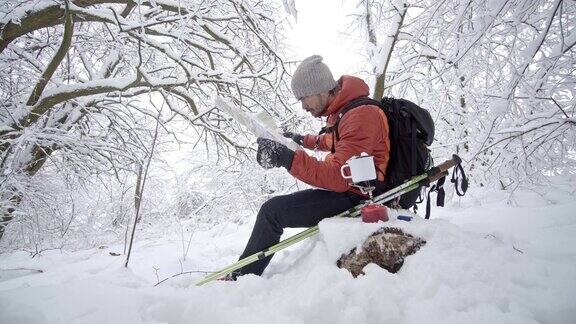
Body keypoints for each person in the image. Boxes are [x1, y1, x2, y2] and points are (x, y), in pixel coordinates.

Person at [233, 55, 390, 279]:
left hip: (361, 195)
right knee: (273, 210)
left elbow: (338, 176)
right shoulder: (345, 111)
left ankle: (242, 278)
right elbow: (330, 141)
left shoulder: (361, 115)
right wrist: (297, 140)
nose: (304, 106)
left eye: (305, 98)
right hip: (352, 189)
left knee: (272, 212)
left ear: (321, 89)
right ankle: (244, 274)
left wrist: (287, 158)